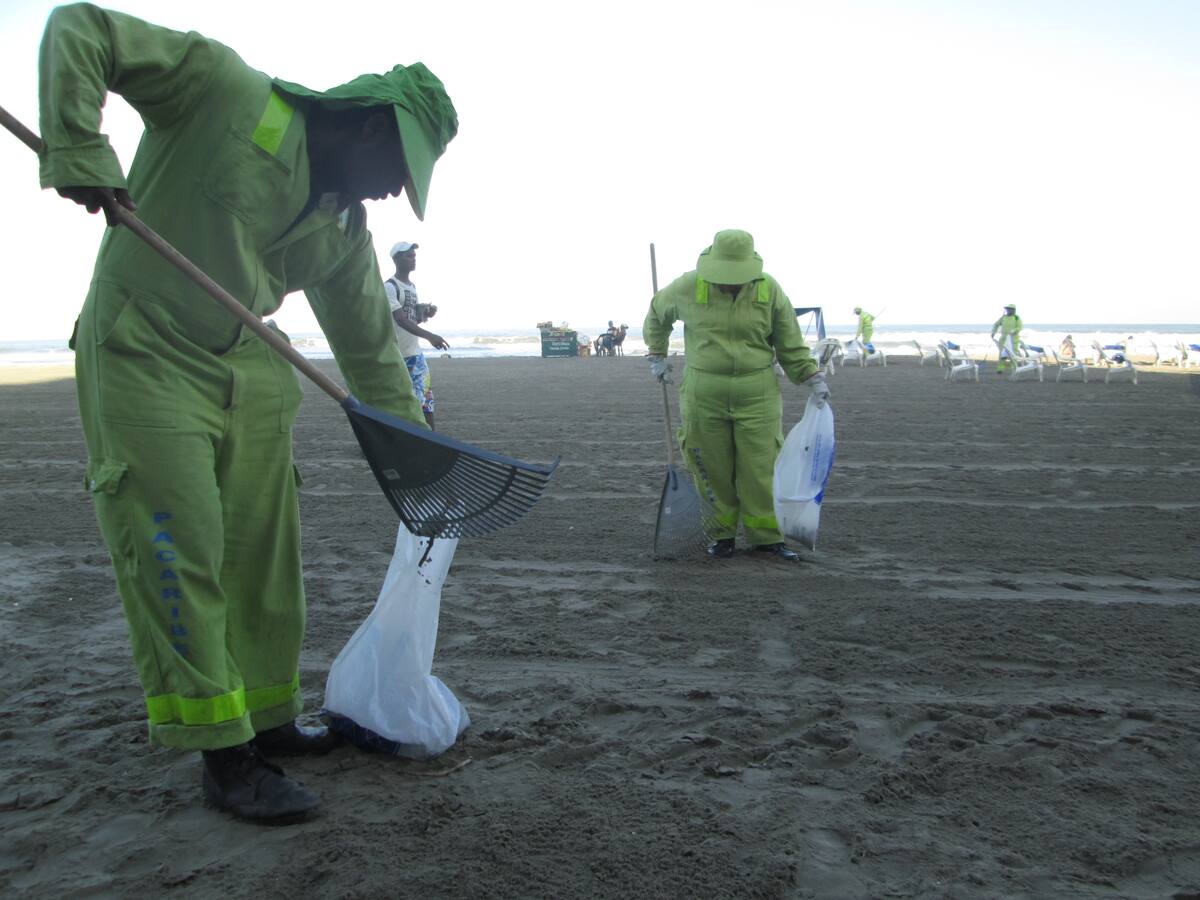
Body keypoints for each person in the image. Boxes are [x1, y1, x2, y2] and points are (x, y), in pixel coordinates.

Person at [37, 3, 457, 823]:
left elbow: (371, 346)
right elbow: (80, 27)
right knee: (178, 543)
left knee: (268, 557)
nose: (387, 190)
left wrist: (411, 441)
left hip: (251, 363)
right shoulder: (222, 88)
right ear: (368, 123)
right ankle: (223, 755)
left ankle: (267, 717)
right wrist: (77, 143)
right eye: (393, 168)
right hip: (143, 350)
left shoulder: (342, 225)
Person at [643, 229, 829, 562]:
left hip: (756, 392)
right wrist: (656, 355)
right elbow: (657, 314)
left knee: (761, 467)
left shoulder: (769, 289)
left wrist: (810, 375)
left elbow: (789, 340)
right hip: (703, 392)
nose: (730, 283)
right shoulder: (687, 285)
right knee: (711, 468)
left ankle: (767, 538)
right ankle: (721, 535)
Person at [385, 242, 449, 429]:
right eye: (408, 256)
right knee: (406, 403)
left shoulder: (411, 287)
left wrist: (424, 314)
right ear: (396, 259)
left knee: (426, 400)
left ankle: (431, 437)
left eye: (414, 256)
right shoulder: (390, 287)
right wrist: (430, 336)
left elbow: (411, 320)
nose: (413, 259)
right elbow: (401, 320)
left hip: (414, 353)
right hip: (398, 354)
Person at [991, 303, 1023, 374]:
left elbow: (1020, 327)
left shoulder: (1016, 318)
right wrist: (993, 332)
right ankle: (1000, 369)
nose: (1009, 310)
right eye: (1007, 309)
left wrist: (1014, 331)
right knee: (1002, 355)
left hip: (1013, 340)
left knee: (1013, 354)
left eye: (1010, 309)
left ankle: (1014, 368)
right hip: (1003, 339)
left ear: (1014, 310)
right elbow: (996, 325)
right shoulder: (1003, 317)